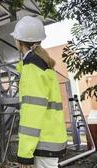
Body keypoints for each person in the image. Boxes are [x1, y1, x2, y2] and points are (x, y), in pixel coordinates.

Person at [11, 16, 68, 168]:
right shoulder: (42, 64)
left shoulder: (32, 69)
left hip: (43, 143)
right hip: (49, 138)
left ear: (18, 41)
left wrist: (24, 153)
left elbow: (32, 113)